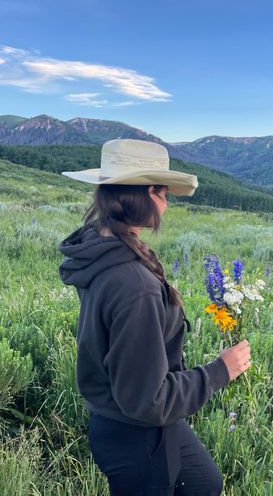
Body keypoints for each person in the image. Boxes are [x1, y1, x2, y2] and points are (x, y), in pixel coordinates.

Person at [57, 138, 251, 496]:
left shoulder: (103, 245)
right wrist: (220, 370)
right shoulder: (134, 284)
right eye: (163, 193)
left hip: (123, 417)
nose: (166, 203)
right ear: (144, 193)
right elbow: (148, 400)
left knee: (204, 482)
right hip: (138, 433)